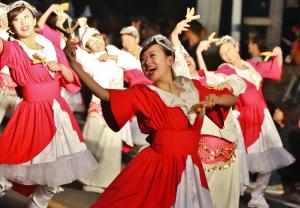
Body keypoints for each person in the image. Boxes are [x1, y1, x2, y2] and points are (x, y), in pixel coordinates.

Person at [65, 34, 237, 207]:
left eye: (152, 56)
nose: (147, 62)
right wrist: (74, 65)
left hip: (191, 167)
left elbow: (231, 99)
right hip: (158, 167)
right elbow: (104, 94)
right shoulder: (143, 93)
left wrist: (216, 99)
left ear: (170, 59)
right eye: (143, 59)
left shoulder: (191, 88)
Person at [0, 1, 97, 207]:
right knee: (18, 160)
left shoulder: (49, 44)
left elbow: (70, 78)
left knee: (57, 174)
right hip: (32, 113)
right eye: (15, 19)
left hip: (58, 112)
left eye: (26, 16)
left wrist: (61, 67)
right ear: (11, 26)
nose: (22, 22)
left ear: (35, 18)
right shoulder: (12, 48)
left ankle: (37, 204)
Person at [197, 35, 295, 208]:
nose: (226, 54)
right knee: (238, 159)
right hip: (245, 117)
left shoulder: (252, 64)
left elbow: (273, 70)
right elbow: (207, 79)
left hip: (262, 116)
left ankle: (257, 196)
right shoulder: (225, 69)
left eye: (228, 49)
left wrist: (278, 53)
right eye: (222, 52)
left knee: (270, 155)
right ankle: (223, 193)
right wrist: (199, 53)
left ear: (235, 48)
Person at [171, 18, 248, 208]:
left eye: (189, 58)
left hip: (228, 147)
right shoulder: (183, 84)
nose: (186, 60)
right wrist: (174, 36)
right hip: (201, 150)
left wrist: (229, 85)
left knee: (224, 200)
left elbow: (240, 83)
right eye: (183, 58)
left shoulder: (214, 76)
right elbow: (179, 63)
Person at [76, 25, 132, 193]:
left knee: (111, 147)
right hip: (98, 104)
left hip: (117, 104)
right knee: (92, 142)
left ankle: (104, 181)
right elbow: (76, 53)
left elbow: (131, 62)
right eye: (91, 40)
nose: (97, 40)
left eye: (98, 36)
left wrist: (112, 56)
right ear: (87, 46)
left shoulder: (114, 50)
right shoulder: (88, 59)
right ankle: (86, 178)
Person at [0, 3, 20, 126]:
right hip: (2, 77)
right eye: (0, 18)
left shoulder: (17, 35)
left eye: (4, 17)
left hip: (16, 79)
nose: (3, 20)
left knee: (18, 119)